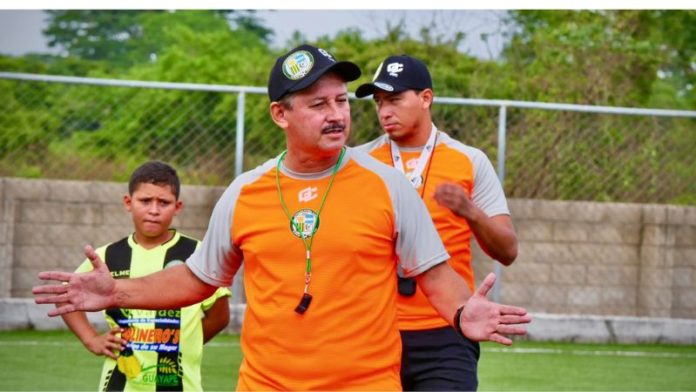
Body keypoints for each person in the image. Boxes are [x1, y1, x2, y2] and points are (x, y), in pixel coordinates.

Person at [34, 44, 530, 391]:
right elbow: (197, 278)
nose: (337, 114)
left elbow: (436, 275)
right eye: (318, 104)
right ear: (280, 115)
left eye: (340, 101)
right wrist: (115, 292)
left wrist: (464, 313)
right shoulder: (245, 191)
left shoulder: (388, 184)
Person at [355, 54, 519, 391]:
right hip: (374, 331)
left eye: (395, 99)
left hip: (448, 330)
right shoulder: (359, 163)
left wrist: (470, 211)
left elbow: (507, 250)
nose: (385, 111)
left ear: (426, 98)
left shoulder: (469, 161)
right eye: (379, 102)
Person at [57, 160, 231, 391]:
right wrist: (91, 339)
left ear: (177, 207)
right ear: (128, 203)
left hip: (180, 385)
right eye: (145, 201)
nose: (154, 210)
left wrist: (184, 340)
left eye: (163, 202)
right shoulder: (107, 256)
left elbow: (219, 315)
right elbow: (66, 294)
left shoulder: (197, 253)